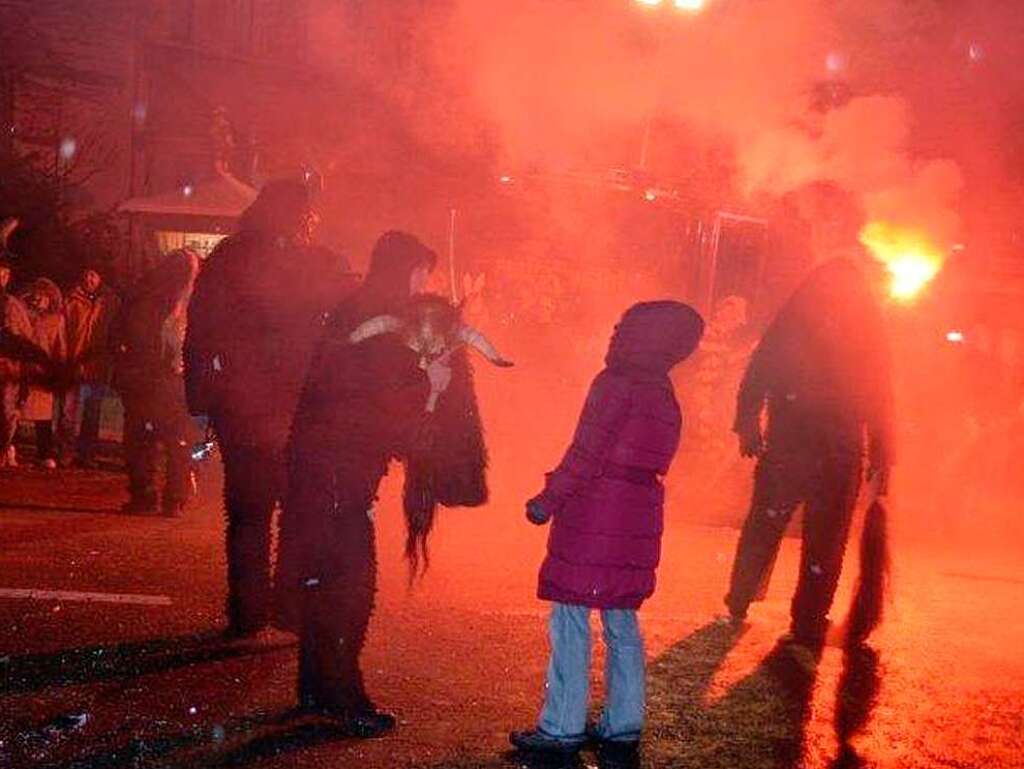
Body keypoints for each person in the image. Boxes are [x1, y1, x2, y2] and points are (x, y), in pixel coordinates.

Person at [279, 231, 495, 736]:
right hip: (338, 471)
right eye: (422, 272)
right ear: (405, 270)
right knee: (350, 586)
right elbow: (381, 410)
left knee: (324, 582)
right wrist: (431, 386)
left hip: (320, 464)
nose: (425, 283)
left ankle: (315, 689)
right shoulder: (382, 323)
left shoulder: (356, 308)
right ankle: (343, 697)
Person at [510, 301, 706, 761]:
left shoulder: (616, 383)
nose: (615, 331)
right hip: (637, 515)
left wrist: (547, 500)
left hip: (595, 512)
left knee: (570, 619)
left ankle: (560, 726)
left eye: (624, 325)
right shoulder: (663, 390)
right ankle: (622, 723)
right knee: (621, 620)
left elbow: (587, 450)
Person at [184, 179, 354, 637]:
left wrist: (200, 397)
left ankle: (246, 611)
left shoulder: (228, 259)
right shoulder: (322, 264)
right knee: (298, 508)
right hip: (300, 406)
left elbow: (201, 330)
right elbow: (347, 329)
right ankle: (288, 606)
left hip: (243, 406)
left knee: (247, 513)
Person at [722, 254, 894, 648]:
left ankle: (749, 599)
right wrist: (883, 453)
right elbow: (881, 397)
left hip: (804, 445)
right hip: (830, 450)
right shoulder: (862, 330)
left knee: (769, 527)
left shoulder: (799, 322)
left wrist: (748, 424)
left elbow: (759, 372)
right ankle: (804, 616)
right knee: (823, 540)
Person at [114, 249, 199, 516]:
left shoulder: (145, 297)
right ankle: (168, 499)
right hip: (165, 382)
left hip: (154, 381)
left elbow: (117, 335)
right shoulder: (187, 302)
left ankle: (149, 496)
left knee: (148, 438)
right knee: (174, 441)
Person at [60, 266, 121, 467]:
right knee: (68, 412)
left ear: (100, 277)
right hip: (74, 364)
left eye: (93, 274)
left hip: (98, 365)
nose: (89, 278)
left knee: (92, 413)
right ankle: (65, 452)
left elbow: (115, 333)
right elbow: (62, 331)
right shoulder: (71, 300)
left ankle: (87, 454)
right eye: (85, 274)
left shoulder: (111, 302)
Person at [0, 220, 39, 468]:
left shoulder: (14, 305)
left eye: (4, 274)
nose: (2, 277)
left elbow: (26, 338)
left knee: (5, 412)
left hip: (8, 369)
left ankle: (3, 448)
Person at [19, 278, 67, 468]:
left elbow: (60, 346)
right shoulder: (23, 315)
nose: (38, 299)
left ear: (50, 299)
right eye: (36, 295)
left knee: (44, 417)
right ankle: (8, 448)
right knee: (13, 411)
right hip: (23, 371)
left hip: (43, 372)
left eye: (43, 296)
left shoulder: (56, 320)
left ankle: (44, 452)